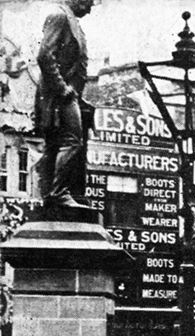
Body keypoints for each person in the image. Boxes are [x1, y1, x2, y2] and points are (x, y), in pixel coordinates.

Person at [34, 0, 95, 214]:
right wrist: (62, 88)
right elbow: (44, 55)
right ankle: (59, 194)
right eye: (89, 2)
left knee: (56, 144)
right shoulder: (59, 16)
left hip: (69, 95)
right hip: (57, 96)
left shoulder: (71, 20)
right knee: (72, 141)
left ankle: (51, 196)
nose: (90, 8)